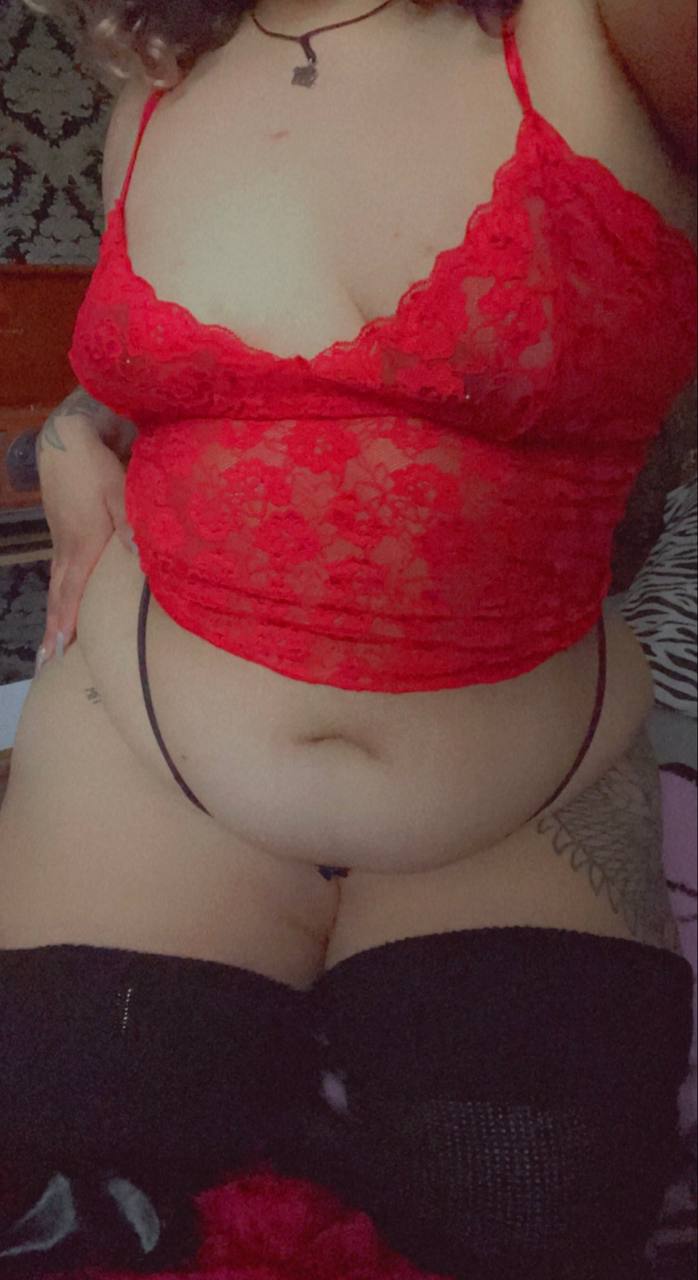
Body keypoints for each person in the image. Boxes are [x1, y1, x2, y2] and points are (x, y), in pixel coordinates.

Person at [0, 0, 696, 1274]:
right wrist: (71, 428)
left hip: (521, 790)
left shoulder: (587, 38)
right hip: (137, 747)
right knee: (79, 1188)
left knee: (531, 1216)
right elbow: (205, 359)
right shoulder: (153, 91)